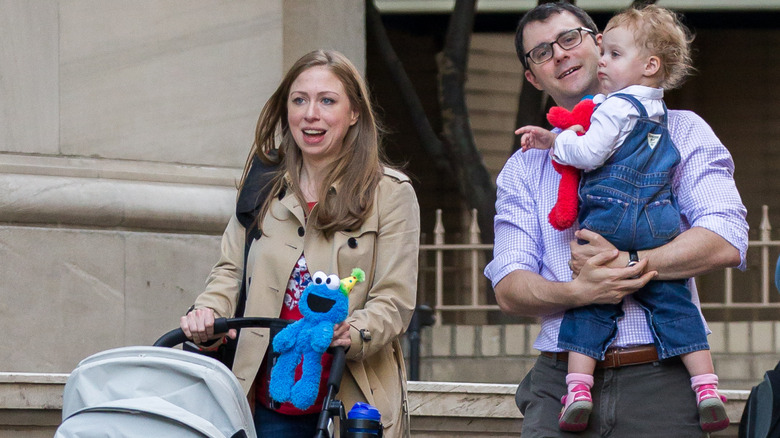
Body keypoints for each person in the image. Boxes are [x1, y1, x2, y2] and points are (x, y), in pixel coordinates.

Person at [484, 2, 748, 437]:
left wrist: (627, 263)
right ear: (533, 77)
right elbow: (510, 287)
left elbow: (725, 238)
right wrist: (579, 291)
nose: (561, 54)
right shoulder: (523, 167)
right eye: (542, 52)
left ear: (597, 41)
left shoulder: (682, 130)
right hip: (559, 383)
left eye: (570, 38)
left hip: (659, 378)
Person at [180, 49, 420, 438]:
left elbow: (395, 299)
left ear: (354, 113)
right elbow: (229, 271)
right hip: (262, 403)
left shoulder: (390, 194)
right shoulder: (263, 186)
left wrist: (354, 330)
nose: (311, 113)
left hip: (350, 401)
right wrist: (207, 313)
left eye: (327, 101)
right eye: (299, 100)